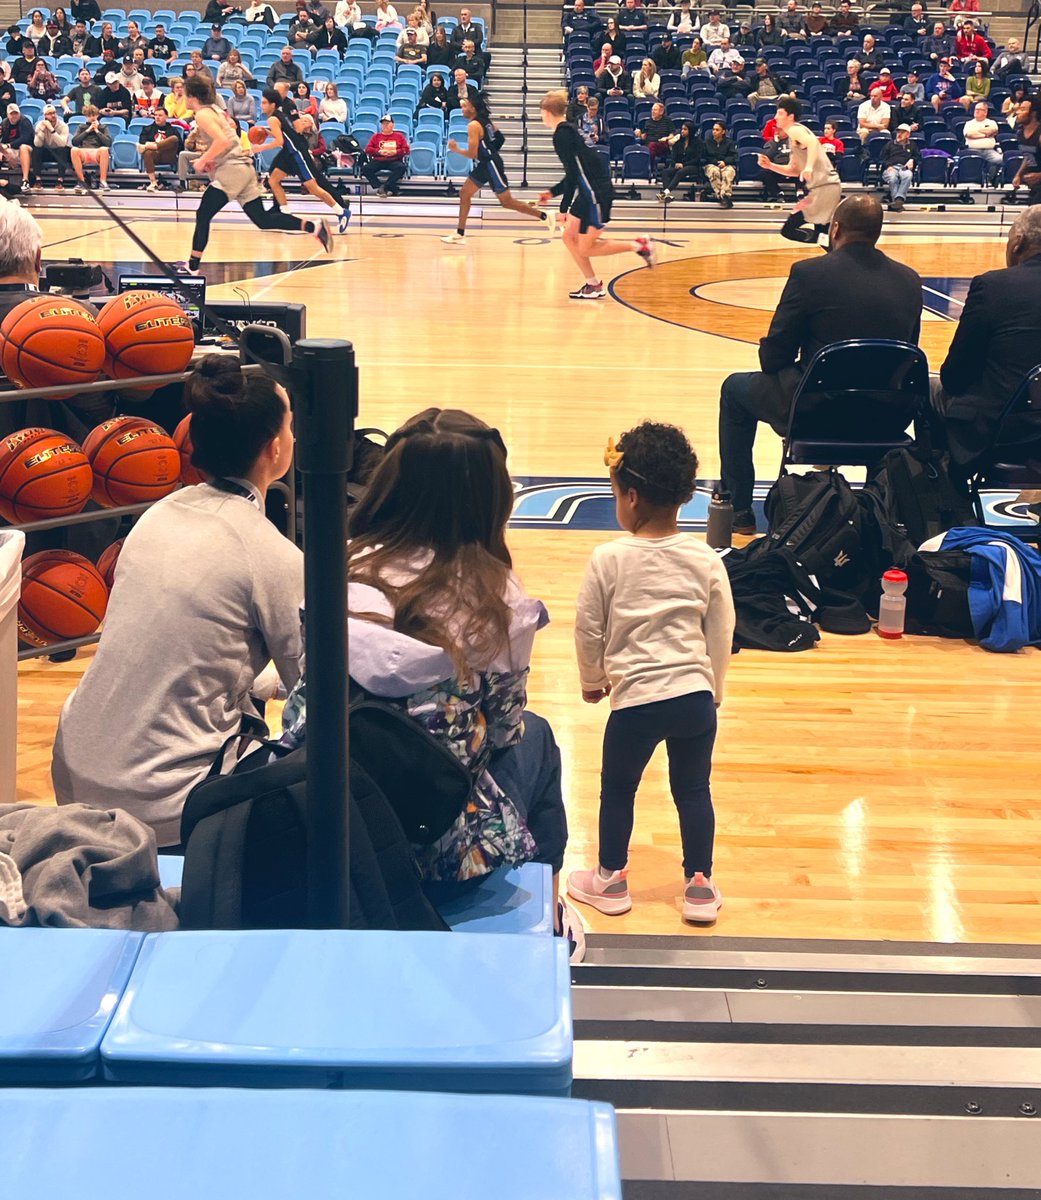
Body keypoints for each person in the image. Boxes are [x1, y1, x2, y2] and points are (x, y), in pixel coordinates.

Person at [278, 407, 583, 958]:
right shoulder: (502, 604)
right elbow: (505, 734)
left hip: (319, 826)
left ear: (388, 483)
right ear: (493, 499)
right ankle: (547, 903)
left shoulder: (332, 570)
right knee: (539, 738)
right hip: (440, 852)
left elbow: (298, 708)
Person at [53, 356, 304, 853]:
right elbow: (314, 694)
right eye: (292, 425)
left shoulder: (155, 515)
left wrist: (262, 682)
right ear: (276, 448)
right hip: (163, 802)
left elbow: (182, 646)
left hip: (74, 771)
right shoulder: (272, 553)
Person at [567, 422, 734, 925]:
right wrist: (714, 688)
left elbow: (588, 626)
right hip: (693, 699)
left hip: (636, 703)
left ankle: (611, 880)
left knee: (618, 788)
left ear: (631, 497)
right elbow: (722, 628)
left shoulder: (608, 559)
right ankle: (700, 885)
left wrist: (592, 678)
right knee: (693, 789)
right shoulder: (705, 558)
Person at [718, 195, 923, 533]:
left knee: (734, 389)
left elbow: (773, 359)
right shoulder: (909, 279)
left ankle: (739, 509)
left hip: (816, 412)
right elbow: (906, 352)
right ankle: (878, 511)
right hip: (885, 417)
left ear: (836, 228)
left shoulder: (809, 274)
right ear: (877, 232)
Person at [179, 75, 332, 274]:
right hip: (244, 169)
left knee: (203, 214)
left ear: (191, 96)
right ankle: (315, 227)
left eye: (184, 94)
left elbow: (222, 142)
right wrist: (211, 160)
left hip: (232, 171)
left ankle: (192, 267)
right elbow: (229, 138)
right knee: (263, 220)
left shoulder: (202, 115)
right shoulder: (216, 110)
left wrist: (202, 160)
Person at [932, 207, 1041, 467]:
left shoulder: (993, 286)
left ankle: (942, 497)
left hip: (1009, 431)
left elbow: (955, 376)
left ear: (1018, 243)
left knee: (931, 388)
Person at [538, 89, 654, 300]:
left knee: (585, 248)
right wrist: (552, 192)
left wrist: (562, 209)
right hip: (587, 191)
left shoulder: (561, 135)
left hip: (596, 193)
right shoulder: (567, 130)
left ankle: (639, 245)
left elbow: (573, 174)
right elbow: (575, 172)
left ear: (546, 112)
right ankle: (592, 284)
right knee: (568, 237)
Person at [441, 94, 554, 246]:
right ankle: (460, 233)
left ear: (473, 108)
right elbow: (500, 138)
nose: (462, 108)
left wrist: (456, 149)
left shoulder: (473, 126)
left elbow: (472, 154)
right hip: (486, 163)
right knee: (464, 193)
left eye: (465, 106)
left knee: (507, 202)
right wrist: (490, 150)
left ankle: (545, 216)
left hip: (491, 165)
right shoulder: (486, 122)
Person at [258, 88, 350, 231]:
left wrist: (259, 148)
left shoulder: (272, 119)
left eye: (264, 103)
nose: (261, 105)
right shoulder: (280, 114)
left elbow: (280, 142)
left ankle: (341, 212)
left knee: (313, 187)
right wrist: (269, 133)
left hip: (296, 154)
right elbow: (286, 134)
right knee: (273, 180)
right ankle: (285, 214)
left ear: (272, 104)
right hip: (290, 153)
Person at [362, 113, 409, 196]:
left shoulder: (399, 136)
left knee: (401, 167)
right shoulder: (376, 136)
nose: (385, 125)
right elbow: (368, 149)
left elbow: (406, 150)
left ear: (393, 125)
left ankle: (385, 187)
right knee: (366, 169)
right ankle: (380, 186)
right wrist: (378, 152)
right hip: (379, 160)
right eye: (383, 124)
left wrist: (395, 152)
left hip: (394, 160)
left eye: (387, 123)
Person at [658, 119, 704, 202]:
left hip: (693, 166)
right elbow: (673, 157)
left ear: (691, 130)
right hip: (679, 166)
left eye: (685, 129)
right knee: (665, 172)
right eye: (682, 129)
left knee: (681, 171)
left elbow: (698, 158)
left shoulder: (698, 142)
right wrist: (675, 163)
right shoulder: (678, 142)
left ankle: (665, 193)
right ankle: (667, 196)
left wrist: (684, 164)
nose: (682, 131)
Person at [137, 106, 181, 190]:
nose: (157, 117)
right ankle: (153, 182)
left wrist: (155, 145)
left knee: (174, 138)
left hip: (169, 155)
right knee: (147, 152)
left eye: (160, 115)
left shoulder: (173, 130)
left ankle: (154, 146)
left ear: (166, 117)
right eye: (156, 115)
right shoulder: (147, 129)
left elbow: (179, 145)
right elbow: (141, 143)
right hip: (155, 156)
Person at [69, 103, 111, 191]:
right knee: (74, 150)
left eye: (94, 115)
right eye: (90, 115)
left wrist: (97, 130)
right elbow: (74, 142)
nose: (92, 117)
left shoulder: (103, 127)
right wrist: (87, 131)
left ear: (97, 115)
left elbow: (108, 142)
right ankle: (81, 181)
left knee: (104, 149)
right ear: (86, 116)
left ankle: (103, 181)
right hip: (84, 152)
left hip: (97, 152)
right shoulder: (81, 127)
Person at [880, 123, 920, 210]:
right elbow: (881, 158)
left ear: (908, 135)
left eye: (902, 132)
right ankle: (898, 201)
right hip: (891, 167)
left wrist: (912, 160)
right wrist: (888, 166)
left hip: (904, 168)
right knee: (892, 177)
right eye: (898, 132)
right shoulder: (890, 144)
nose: (899, 134)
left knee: (908, 175)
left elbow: (918, 157)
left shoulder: (912, 145)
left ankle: (898, 200)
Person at [31, 104, 71, 190]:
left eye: (54, 113)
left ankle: (60, 180)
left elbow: (62, 144)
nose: (53, 115)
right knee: (36, 150)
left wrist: (52, 130)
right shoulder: (39, 125)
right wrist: (41, 131)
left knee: (63, 150)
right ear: (45, 115)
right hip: (47, 152)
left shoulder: (63, 126)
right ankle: (37, 180)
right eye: (49, 113)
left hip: (59, 152)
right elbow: (37, 144)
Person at [963, 101, 1002, 183]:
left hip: (989, 151)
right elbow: (970, 134)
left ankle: (990, 180)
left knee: (1000, 160)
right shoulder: (969, 123)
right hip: (973, 150)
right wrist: (986, 135)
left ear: (985, 112)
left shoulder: (991, 122)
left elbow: (993, 131)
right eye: (975, 109)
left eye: (979, 109)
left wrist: (977, 132)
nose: (976, 111)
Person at [1, 103, 35, 193]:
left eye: (16, 113)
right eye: (11, 114)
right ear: (8, 115)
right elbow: (3, 140)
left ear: (19, 113)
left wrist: (9, 145)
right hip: (11, 152)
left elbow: (26, 138)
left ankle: (25, 180)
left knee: (23, 147)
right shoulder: (4, 123)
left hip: (28, 150)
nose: (14, 116)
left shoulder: (25, 121)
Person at [704, 120, 737, 207]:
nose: (714, 131)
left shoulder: (729, 142)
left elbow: (734, 156)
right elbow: (705, 157)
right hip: (711, 164)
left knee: (729, 172)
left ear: (723, 132)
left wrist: (725, 162)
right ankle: (724, 197)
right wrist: (716, 162)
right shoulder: (707, 142)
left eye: (717, 130)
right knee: (715, 171)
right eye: (713, 129)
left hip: (725, 164)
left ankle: (724, 196)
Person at [635, 100, 674, 170]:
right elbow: (644, 137)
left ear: (661, 112)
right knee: (649, 146)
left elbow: (672, 134)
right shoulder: (648, 122)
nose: (652, 112)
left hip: (662, 144)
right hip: (649, 145)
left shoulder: (667, 120)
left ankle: (649, 169)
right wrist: (639, 134)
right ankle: (647, 169)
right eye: (652, 110)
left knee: (651, 146)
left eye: (655, 110)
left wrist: (667, 138)